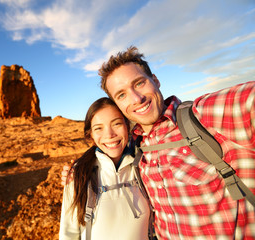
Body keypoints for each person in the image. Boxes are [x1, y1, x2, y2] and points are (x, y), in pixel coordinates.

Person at [62, 46, 255, 239]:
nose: (136, 99)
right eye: (121, 95)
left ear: (155, 80)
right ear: (119, 106)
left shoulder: (204, 116)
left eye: (139, 83)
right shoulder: (137, 149)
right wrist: (79, 173)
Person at [59, 97, 152, 240]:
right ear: (90, 135)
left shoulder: (144, 165)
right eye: (99, 128)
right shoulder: (79, 174)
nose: (109, 134)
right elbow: (68, 234)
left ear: (127, 126)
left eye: (117, 124)